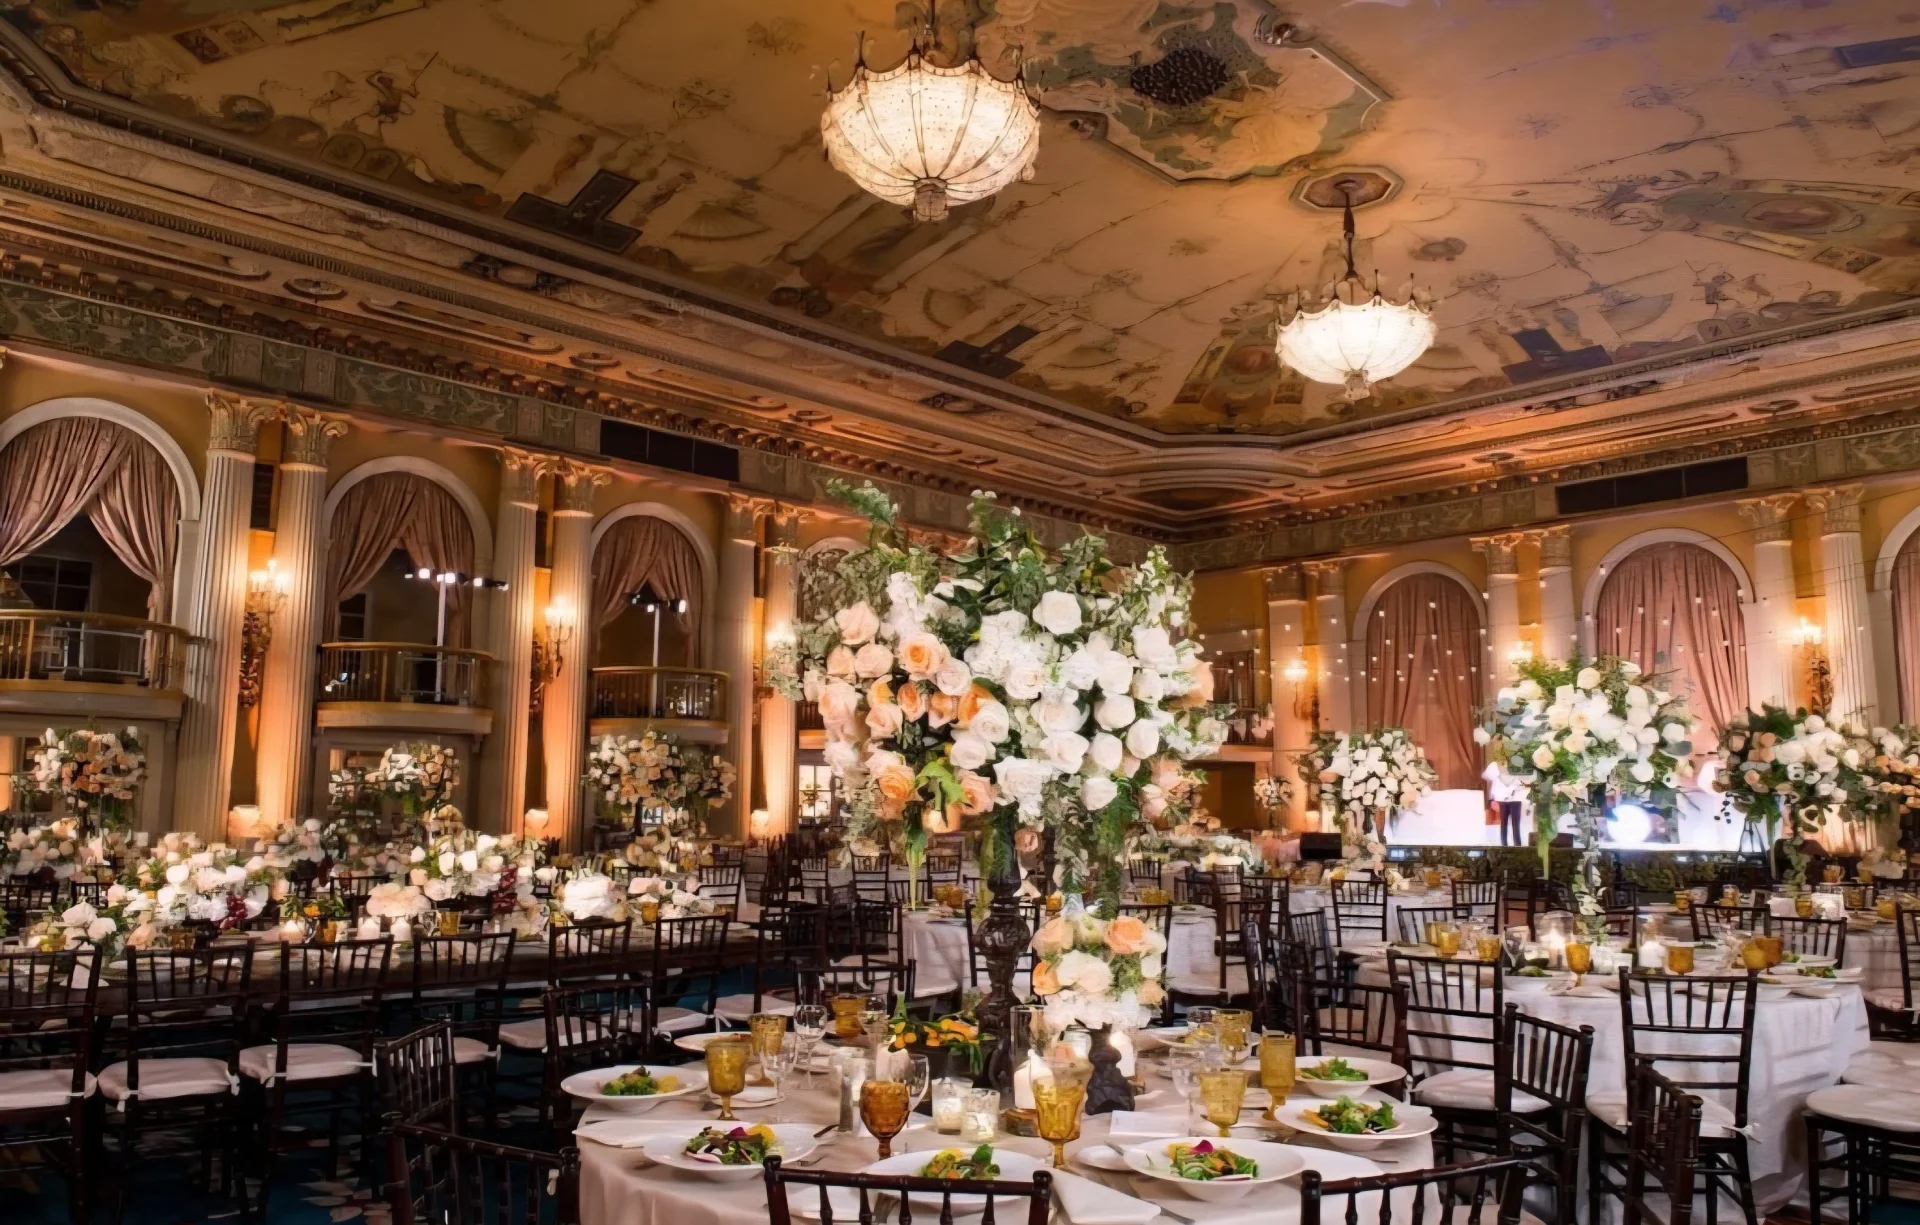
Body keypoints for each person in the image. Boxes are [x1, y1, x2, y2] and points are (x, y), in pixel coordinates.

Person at [1484, 762, 1525, 847]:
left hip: (1515, 801)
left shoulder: (1516, 774)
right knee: (1504, 824)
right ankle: (1504, 846)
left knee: (1515, 825)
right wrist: (1492, 799)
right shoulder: (1497, 776)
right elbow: (1493, 787)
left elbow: (1521, 786)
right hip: (1504, 801)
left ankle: (1517, 846)